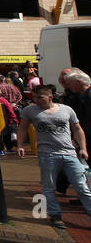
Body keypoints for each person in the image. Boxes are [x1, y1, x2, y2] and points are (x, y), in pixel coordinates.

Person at [20, 83, 90, 229]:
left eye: (40, 97)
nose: (36, 100)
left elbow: (77, 129)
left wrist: (83, 148)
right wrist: (20, 145)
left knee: (81, 185)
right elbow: (23, 128)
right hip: (47, 154)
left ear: (50, 97)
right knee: (48, 187)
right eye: (34, 97)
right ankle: (55, 215)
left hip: (69, 153)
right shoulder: (30, 111)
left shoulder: (66, 109)